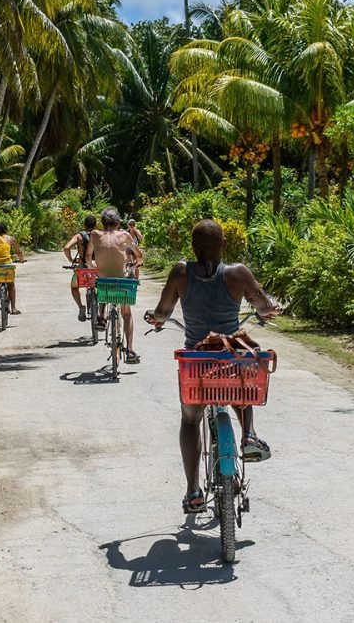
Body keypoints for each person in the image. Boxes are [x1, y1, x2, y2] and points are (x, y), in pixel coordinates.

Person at [145, 219, 280, 514]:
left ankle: (194, 491)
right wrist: (269, 311)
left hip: (198, 361)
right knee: (245, 378)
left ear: (193, 247)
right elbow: (264, 306)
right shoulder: (238, 273)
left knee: (190, 420)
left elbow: (163, 312)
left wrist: (154, 318)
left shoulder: (181, 272)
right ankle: (248, 434)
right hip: (230, 356)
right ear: (224, 245)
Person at [90, 208, 144, 363]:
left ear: (102, 223)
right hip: (122, 281)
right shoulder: (125, 235)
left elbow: (88, 257)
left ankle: (101, 316)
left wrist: (92, 265)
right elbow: (139, 255)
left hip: (104, 280)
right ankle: (131, 350)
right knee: (126, 313)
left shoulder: (94, 235)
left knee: (101, 284)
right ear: (119, 222)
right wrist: (135, 265)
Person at [62, 214, 98, 322]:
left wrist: (71, 260)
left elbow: (66, 248)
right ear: (96, 225)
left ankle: (81, 306)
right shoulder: (99, 236)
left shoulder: (79, 236)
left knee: (74, 287)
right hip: (97, 267)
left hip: (83, 268)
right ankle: (100, 308)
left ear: (84, 224)